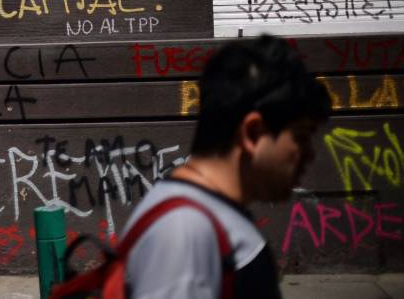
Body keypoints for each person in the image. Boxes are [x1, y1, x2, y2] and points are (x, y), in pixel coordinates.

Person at [121, 35, 331, 298]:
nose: (310, 154)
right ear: (253, 134)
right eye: (300, 137)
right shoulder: (185, 233)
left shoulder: (201, 216)